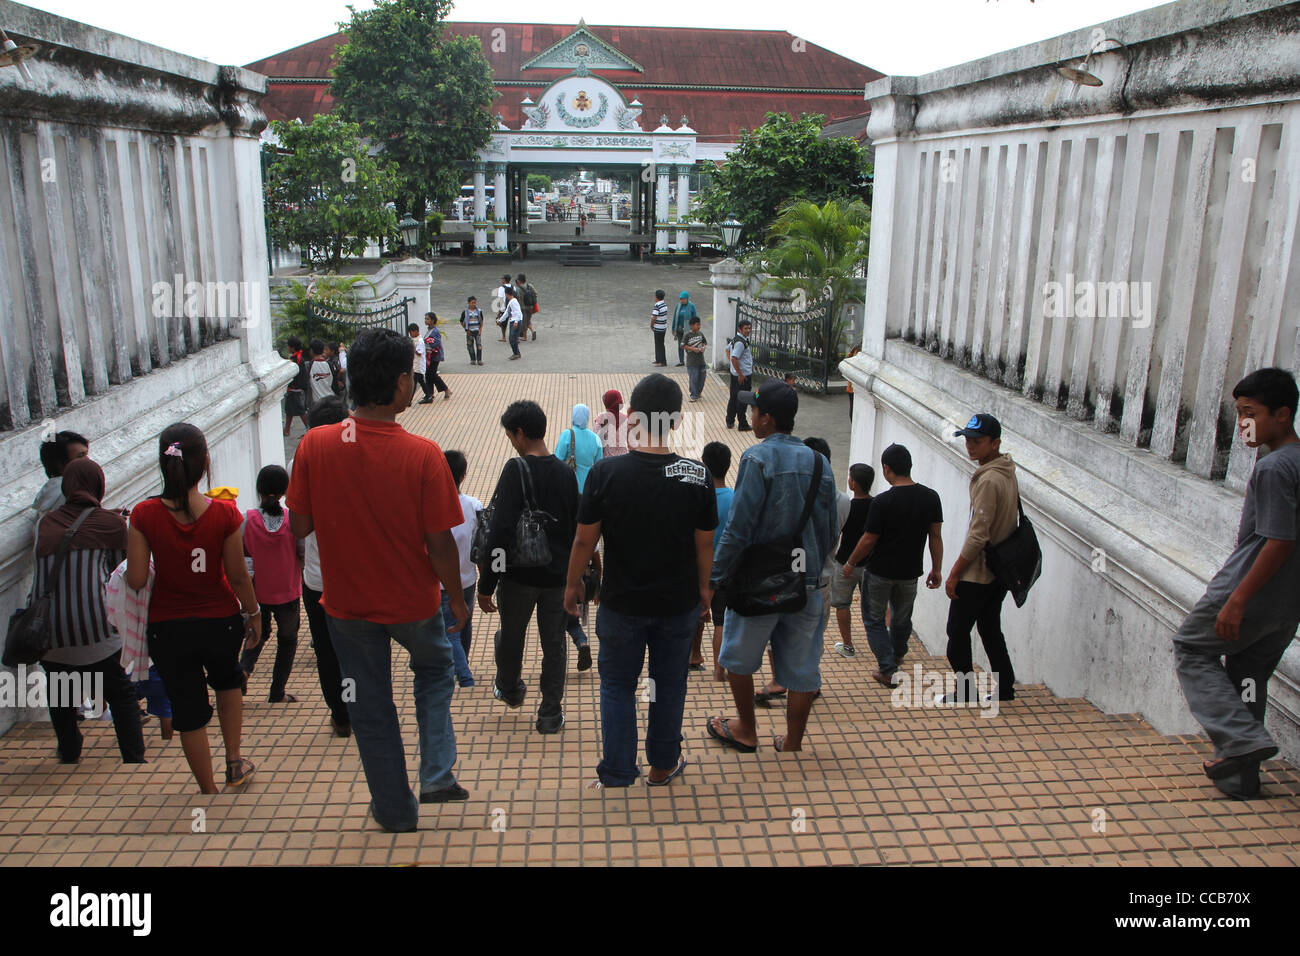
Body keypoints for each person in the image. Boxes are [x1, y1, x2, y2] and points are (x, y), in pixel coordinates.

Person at [287, 327, 469, 831]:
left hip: (346, 607)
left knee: (369, 705)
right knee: (435, 673)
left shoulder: (315, 445)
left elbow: (300, 526)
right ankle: (436, 773)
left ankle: (394, 810)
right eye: (410, 376)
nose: (413, 385)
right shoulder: (424, 455)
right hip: (413, 603)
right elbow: (439, 545)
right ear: (396, 384)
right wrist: (456, 598)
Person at [565, 374, 716, 787]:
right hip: (678, 603)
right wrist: (705, 590)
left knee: (616, 686)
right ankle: (662, 766)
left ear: (631, 417)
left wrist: (573, 585)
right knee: (669, 685)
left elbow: (583, 539)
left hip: (621, 603)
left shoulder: (606, 474)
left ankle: (616, 772)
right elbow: (705, 545)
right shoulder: (696, 475)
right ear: (678, 420)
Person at [1174, 368, 1300, 800]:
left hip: (1252, 589)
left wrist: (1237, 601)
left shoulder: (1274, 467)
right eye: (1240, 414)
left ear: (1283, 415)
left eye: (1251, 414)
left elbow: (1279, 540)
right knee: (1247, 674)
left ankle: (1241, 740)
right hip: (1288, 602)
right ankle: (1242, 777)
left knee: (1192, 648)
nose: (1243, 423)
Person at [127, 424, 262, 793]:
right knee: (227, 681)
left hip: (168, 628)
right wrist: (253, 613)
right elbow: (237, 575)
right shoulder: (225, 515)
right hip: (219, 620)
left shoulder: (143, 515)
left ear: (163, 462)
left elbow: (136, 579)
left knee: (188, 709)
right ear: (204, 463)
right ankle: (234, 763)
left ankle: (208, 791)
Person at [708, 382, 838, 753]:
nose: (751, 417)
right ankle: (792, 742)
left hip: (758, 583)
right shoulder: (820, 462)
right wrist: (810, 568)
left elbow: (739, 528)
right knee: (802, 671)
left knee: (740, 659)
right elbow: (830, 532)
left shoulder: (756, 458)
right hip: (806, 584)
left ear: (767, 418)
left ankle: (746, 729)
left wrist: (715, 579)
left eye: (754, 411)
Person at [477, 400, 579, 734]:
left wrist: (487, 583)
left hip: (518, 577)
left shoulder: (515, 469)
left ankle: (510, 689)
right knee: (554, 644)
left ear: (520, 433)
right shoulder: (567, 474)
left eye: (510, 435)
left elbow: (501, 530)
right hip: (557, 578)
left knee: (511, 635)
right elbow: (577, 529)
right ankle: (550, 714)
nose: (511, 442)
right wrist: (577, 578)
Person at [35, 458, 145, 764]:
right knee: (121, 693)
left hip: (51, 633)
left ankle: (69, 753)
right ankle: (133, 758)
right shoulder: (110, 525)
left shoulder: (45, 525)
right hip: (96, 629)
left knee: (61, 693)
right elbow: (121, 574)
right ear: (98, 485)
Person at [753, 435, 850, 706]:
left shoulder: (791, 494)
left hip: (788, 578)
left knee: (779, 632)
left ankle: (780, 681)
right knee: (813, 636)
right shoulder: (843, 500)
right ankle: (808, 681)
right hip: (822, 578)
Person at [843, 443, 944, 688]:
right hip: (910, 572)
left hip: (879, 571)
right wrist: (937, 568)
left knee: (874, 619)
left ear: (887, 469)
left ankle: (888, 669)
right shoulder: (930, 497)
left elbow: (869, 539)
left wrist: (851, 561)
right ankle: (897, 654)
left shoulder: (883, 501)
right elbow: (935, 536)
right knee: (901, 616)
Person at [943, 413, 1019, 705]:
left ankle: (965, 691)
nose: (970, 447)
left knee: (956, 634)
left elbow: (978, 535)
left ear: (995, 442)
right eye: (968, 441)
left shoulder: (988, 480)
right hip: (999, 571)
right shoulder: (1006, 470)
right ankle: (1006, 688)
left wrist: (954, 573)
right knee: (989, 629)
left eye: (977, 442)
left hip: (978, 573)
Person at [298, 396, 352, 737]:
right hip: (360, 577)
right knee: (362, 648)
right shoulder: (364, 457)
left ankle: (341, 714)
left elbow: (299, 527)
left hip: (319, 578)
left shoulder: (300, 462)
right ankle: (363, 708)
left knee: (328, 651)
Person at [238, 465, 303, 703]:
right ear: (285, 491)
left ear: (259, 490)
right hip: (288, 592)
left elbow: (244, 559)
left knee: (258, 633)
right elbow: (302, 552)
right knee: (287, 640)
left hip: (257, 594)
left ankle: (244, 670)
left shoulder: (246, 521)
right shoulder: (291, 521)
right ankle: (277, 692)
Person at [439, 449, 482, 688]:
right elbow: (480, 545)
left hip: (444, 582)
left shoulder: (433, 505)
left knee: (451, 628)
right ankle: (463, 664)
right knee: (464, 623)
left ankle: (464, 674)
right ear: (463, 475)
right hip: (468, 578)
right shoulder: (474, 505)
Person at [829, 463, 874, 659]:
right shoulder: (877, 505)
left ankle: (847, 646)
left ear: (854, 483)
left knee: (842, 604)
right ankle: (879, 644)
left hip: (845, 562)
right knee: (874, 607)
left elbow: (837, 532)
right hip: (871, 564)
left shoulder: (848, 505)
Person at [697, 441, 733, 677]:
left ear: (704, 464)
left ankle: (693, 656)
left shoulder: (699, 496)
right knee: (721, 620)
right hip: (729, 568)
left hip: (701, 568)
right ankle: (720, 669)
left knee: (697, 613)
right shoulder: (736, 498)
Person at [35, 430, 90, 518]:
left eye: (86, 455)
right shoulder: (70, 493)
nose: (88, 460)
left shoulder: (52, 490)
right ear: (59, 464)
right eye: (81, 456)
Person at [555, 403, 603, 493]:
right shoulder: (596, 438)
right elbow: (599, 465)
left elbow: (557, 460)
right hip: (588, 488)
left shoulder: (567, 434)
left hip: (568, 486)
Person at [726, 318, 754, 431]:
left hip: (735, 375)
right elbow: (734, 358)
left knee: (733, 397)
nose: (748, 330)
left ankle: (730, 420)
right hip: (743, 376)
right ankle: (742, 424)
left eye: (749, 328)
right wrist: (740, 374)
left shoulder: (737, 339)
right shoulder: (740, 343)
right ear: (740, 329)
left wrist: (733, 367)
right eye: (746, 328)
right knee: (743, 399)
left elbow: (727, 349)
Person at [419, 312, 451, 404]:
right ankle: (430, 393)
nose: (426, 320)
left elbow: (436, 343)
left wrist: (428, 342)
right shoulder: (429, 330)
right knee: (429, 375)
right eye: (425, 319)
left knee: (431, 374)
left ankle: (446, 389)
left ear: (432, 320)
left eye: (427, 319)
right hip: (429, 356)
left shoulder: (435, 331)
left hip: (434, 356)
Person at [283, 336, 311, 436]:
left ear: (293, 348)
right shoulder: (296, 357)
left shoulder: (297, 358)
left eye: (288, 346)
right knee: (289, 410)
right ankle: (287, 429)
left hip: (295, 388)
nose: (287, 347)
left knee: (300, 410)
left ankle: (309, 426)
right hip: (293, 388)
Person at [594, 389, 629, 458]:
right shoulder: (626, 419)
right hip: (623, 459)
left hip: (607, 461)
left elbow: (595, 441)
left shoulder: (601, 419)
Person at [683, 315, 708, 402]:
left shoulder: (700, 334)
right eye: (697, 325)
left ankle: (698, 392)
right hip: (692, 362)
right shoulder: (687, 335)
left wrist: (703, 348)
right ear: (692, 325)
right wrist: (693, 349)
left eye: (699, 324)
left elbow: (705, 342)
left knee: (702, 378)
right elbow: (683, 346)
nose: (699, 326)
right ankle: (693, 395)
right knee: (694, 378)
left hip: (701, 361)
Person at [672, 291, 698, 367]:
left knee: (689, 345)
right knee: (680, 345)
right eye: (681, 299)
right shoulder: (678, 306)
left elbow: (695, 317)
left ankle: (692, 360)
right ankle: (681, 361)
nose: (682, 300)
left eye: (683, 299)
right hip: (679, 329)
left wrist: (695, 328)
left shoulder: (691, 306)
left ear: (687, 299)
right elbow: (674, 317)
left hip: (688, 329)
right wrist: (673, 328)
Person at [461, 296, 484, 366]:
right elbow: (461, 321)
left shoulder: (479, 311)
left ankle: (479, 360)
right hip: (469, 331)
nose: (474, 304)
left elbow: (481, 321)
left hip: (477, 331)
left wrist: (480, 330)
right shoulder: (465, 312)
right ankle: (473, 359)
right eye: (472, 303)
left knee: (479, 345)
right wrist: (466, 329)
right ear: (468, 303)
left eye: (475, 303)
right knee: (470, 346)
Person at [308, 339, 333, 406]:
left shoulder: (309, 365)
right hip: (330, 399)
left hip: (317, 402)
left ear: (312, 350)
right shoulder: (329, 364)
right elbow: (332, 382)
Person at [516, 273, 539, 342]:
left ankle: (525, 337)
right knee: (528, 320)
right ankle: (533, 331)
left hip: (523, 307)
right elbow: (536, 293)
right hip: (531, 306)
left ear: (519, 281)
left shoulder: (518, 289)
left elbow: (518, 299)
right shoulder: (530, 285)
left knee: (524, 322)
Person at [504, 287, 525, 360]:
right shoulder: (511, 301)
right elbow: (507, 312)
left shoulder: (513, 302)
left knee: (512, 338)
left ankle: (516, 353)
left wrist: (516, 322)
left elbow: (518, 312)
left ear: (506, 294)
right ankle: (516, 353)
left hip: (515, 321)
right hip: (513, 321)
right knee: (512, 338)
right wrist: (500, 320)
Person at [650, 290, 669, 367]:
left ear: (656, 297)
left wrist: (651, 325)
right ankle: (658, 359)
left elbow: (654, 317)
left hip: (658, 328)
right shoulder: (664, 305)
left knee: (659, 344)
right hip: (663, 327)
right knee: (659, 344)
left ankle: (662, 362)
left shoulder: (657, 305)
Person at [494, 274, 512, 341]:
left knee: (503, 323)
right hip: (511, 307)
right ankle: (515, 336)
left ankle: (504, 337)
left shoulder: (501, 288)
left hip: (504, 308)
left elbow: (500, 300)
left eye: (502, 278)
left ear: (504, 280)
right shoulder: (513, 287)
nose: (501, 279)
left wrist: (498, 310)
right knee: (512, 322)